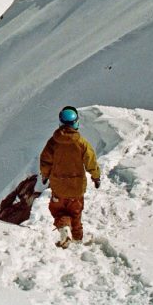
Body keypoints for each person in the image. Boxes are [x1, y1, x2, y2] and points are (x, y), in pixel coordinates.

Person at [39, 106, 101, 248]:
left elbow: (45, 161)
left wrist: (45, 175)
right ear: (76, 123)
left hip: (58, 187)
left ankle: (65, 229)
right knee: (76, 214)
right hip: (77, 188)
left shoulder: (53, 143)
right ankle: (77, 241)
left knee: (58, 210)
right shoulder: (82, 143)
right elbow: (91, 161)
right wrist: (96, 177)